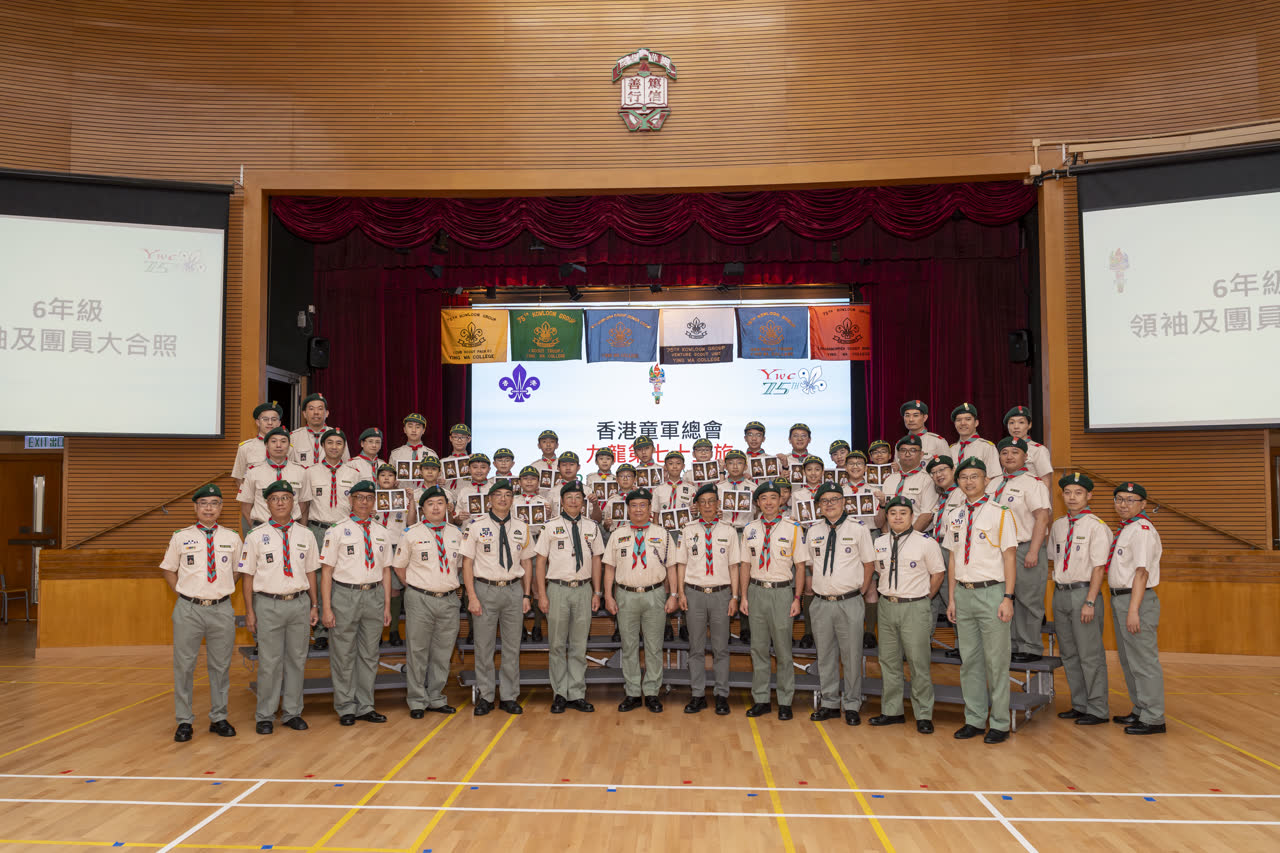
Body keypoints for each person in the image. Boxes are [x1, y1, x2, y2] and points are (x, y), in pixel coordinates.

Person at [161, 484, 242, 742]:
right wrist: (184, 594)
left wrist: (219, 591)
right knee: (184, 666)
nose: (209, 508)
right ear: (195, 507)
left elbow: (238, 571)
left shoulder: (232, 537)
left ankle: (219, 717)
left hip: (221, 609)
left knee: (221, 666)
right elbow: (168, 569)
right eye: (204, 503)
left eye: (214, 503)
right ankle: (184, 721)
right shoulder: (180, 537)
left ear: (221, 508)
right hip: (189, 609)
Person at [945, 458, 1018, 744]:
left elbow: (1009, 557)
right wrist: (952, 598)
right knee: (970, 661)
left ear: (986, 481)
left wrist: (1008, 597)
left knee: (996, 662)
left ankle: (999, 722)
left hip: (992, 592)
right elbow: (953, 558)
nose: (969, 481)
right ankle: (974, 719)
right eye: (963, 477)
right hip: (963, 593)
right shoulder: (954, 514)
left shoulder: (1001, 513)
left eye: (974, 476)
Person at [237, 480, 319, 734]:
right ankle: (265, 714)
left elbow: (311, 572)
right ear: (267, 504)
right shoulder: (255, 536)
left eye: (285, 498)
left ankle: (293, 712)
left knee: (297, 660)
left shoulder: (306, 535)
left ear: (294, 503)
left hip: (299, 603)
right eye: (275, 499)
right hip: (268, 604)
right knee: (270, 662)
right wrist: (250, 611)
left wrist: (314, 605)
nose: (281, 503)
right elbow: (248, 576)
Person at [319, 480, 393, 726]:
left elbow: (386, 570)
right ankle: (345, 707)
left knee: (370, 654)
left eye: (369, 498)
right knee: (343, 654)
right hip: (345, 595)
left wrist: (386, 605)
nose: (364, 502)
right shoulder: (337, 530)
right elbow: (326, 571)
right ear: (350, 500)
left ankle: (365, 706)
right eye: (359, 497)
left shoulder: (382, 531)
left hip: (373, 595)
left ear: (375, 502)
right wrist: (326, 608)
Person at [869, 496, 945, 733]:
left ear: (912, 516)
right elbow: (879, 571)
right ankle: (892, 711)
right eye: (893, 513)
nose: (898, 517)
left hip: (915, 606)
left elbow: (938, 574)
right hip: (886, 606)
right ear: (887, 516)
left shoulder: (926, 542)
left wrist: (923, 598)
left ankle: (923, 714)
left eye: (903, 513)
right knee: (888, 661)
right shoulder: (879, 542)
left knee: (918, 662)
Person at [460, 479, 533, 716]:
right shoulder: (475, 526)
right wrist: (471, 596)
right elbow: (467, 563)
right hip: (485, 590)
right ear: (489, 499)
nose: (503, 498)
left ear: (513, 500)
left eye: (508, 495)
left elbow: (527, 563)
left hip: (513, 590)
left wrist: (526, 594)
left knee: (512, 647)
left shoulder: (522, 527)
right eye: (498, 494)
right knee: (484, 647)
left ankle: (509, 696)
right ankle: (486, 696)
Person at [805, 483, 875, 726]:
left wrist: (861, 592)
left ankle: (852, 704)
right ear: (818, 506)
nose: (830, 504)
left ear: (844, 502)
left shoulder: (858, 529)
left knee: (852, 656)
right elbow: (812, 564)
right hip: (821, 602)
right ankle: (830, 703)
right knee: (825, 656)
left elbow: (869, 564)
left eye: (835, 499)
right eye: (824, 500)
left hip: (849, 602)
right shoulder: (813, 531)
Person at [740, 480, 810, 720]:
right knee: (758, 649)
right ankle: (761, 699)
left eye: (773, 497)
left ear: (781, 500)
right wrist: (743, 596)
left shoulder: (793, 528)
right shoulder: (750, 529)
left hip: (782, 593)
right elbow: (745, 565)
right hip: (756, 591)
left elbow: (800, 567)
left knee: (783, 650)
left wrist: (797, 598)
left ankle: (785, 700)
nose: (768, 502)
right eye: (763, 498)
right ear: (757, 503)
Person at [602, 487, 676, 712]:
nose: (638, 509)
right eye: (633, 505)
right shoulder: (618, 534)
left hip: (655, 595)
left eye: (643, 505)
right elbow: (609, 568)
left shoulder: (663, 534)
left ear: (650, 508)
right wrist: (608, 596)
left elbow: (671, 567)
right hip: (626, 595)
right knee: (629, 646)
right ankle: (633, 692)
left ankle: (652, 692)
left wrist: (673, 595)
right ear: (627, 509)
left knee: (654, 647)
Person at [534, 481, 605, 714]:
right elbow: (540, 562)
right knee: (556, 645)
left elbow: (597, 560)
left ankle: (576, 693)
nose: (574, 501)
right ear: (561, 502)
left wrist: (597, 592)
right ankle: (560, 693)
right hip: (557, 589)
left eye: (578, 497)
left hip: (583, 589)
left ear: (583, 502)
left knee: (578, 645)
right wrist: (541, 594)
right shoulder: (550, 526)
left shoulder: (592, 527)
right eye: (569, 498)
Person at [393, 485, 463, 718]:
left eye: (440, 503)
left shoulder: (456, 533)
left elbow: (459, 566)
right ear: (422, 508)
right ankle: (416, 700)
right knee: (418, 651)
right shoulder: (411, 533)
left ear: (447, 507)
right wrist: (416, 587)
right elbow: (399, 567)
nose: (435, 508)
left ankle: (436, 697)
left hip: (449, 600)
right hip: (420, 599)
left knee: (443, 652)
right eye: (430, 504)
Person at [674, 483, 742, 716]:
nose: (707, 506)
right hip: (694, 593)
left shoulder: (728, 531)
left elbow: (734, 566)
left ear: (718, 504)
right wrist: (681, 593)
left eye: (711, 501)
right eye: (702, 502)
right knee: (696, 648)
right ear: (696, 506)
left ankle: (721, 695)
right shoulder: (687, 530)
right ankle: (698, 695)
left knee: (721, 648)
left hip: (721, 594)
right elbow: (681, 564)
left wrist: (734, 596)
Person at [1049, 473, 1111, 726]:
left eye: (1078, 493)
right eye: (1068, 493)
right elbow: (1054, 559)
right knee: (1069, 653)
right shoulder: (1059, 526)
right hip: (1061, 593)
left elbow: (1099, 568)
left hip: (1084, 594)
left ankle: (1098, 709)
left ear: (1089, 496)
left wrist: (1090, 601)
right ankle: (1080, 704)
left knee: (1090, 654)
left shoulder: (1097, 526)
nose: (1072, 497)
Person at [1107, 482, 1165, 735]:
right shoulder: (1126, 528)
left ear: (1143, 504)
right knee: (1129, 660)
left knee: (1143, 661)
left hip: (1135, 600)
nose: (1123, 504)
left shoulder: (1142, 530)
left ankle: (1154, 718)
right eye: (1119, 499)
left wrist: (1133, 610)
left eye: (1130, 500)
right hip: (1122, 599)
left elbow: (1141, 573)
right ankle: (1141, 708)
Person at [987, 437, 1051, 663]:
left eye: (1015, 452)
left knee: (1027, 599)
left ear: (1025, 457)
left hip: (1024, 547)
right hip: (997, 551)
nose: (1009, 456)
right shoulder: (992, 484)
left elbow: (1042, 518)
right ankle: (1012, 644)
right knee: (1004, 597)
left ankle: (1030, 646)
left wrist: (1034, 550)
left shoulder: (1033, 483)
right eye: (1004, 452)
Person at [375, 463, 415, 647]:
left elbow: (411, 523)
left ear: (396, 480)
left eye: (390, 475)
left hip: (395, 546)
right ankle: (376, 632)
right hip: (375, 547)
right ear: (377, 479)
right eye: (382, 475)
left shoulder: (402, 499)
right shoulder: (370, 498)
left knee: (395, 590)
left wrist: (411, 501)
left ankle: (393, 630)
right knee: (376, 589)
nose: (386, 478)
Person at [237, 427, 306, 531]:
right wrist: (257, 529)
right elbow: (246, 507)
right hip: (262, 528)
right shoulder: (253, 472)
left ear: (289, 445)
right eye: (273, 441)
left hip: (291, 529)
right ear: (266, 445)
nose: (278, 445)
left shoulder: (301, 471)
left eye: (283, 441)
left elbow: (303, 503)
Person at [513, 465, 552, 641]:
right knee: (518, 585)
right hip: (516, 542)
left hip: (537, 541)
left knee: (537, 583)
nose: (529, 482)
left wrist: (548, 515)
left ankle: (537, 626)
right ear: (519, 482)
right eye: (525, 479)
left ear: (538, 482)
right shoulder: (512, 500)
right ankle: (520, 626)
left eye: (533, 479)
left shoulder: (544, 501)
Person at [925, 455, 964, 624]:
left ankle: (961, 638)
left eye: (942, 470)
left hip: (953, 548)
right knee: (934, 590)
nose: (938, 475)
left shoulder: (962, 493)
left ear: (953, 470)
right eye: (934, 472)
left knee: (952, 593)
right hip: (937, 546)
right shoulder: (942, 496)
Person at [875, 435, 939, 532]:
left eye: (913, 450)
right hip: (891, 537)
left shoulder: (928, 480)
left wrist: (908, 537)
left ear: (921, 454)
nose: (907, 454)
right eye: (903, 450)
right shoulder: (889, 480)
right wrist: (887, 537)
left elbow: (926, 516)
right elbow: (883, 514)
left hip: (917, 535)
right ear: (898, 454)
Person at [290, 392, 346, 468]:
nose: (316, 412)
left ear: (327, 413)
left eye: (320, 409)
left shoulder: (338, 436)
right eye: (311, 409)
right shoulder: (293, 437)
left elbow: (345, 466)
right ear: (304, 414)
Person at [232, 402, 283, 485]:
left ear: (279, 423)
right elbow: (239, 478)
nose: (270, 423)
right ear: (258, 422)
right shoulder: (246, 447)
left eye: (274, 419)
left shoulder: (287, 448)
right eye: (265, 419)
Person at [1003, 406, 1053, 479]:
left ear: (1029, 425)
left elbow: (1046, 481)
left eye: (1021, 422)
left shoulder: (1038, 450)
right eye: (1011, 423)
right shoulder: (1004, 449)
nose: (1016, 426)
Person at [949, 403, 999, 474]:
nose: (963, 423)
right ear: (955, 424)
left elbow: (995, 477)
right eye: (958, 420)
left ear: (976, 423)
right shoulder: (951, 450)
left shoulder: (987, 447)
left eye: (968, 419)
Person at [388, 413, 437, 484]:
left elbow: (437, 479)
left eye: (417, 427)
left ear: (423, 430)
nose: (414, 430)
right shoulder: (396, 454)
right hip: (402, 491)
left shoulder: (431, 454)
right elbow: (389, 478)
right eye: (410, 426)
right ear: (404, 429)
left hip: (425, 491)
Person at [452, 453, 494, 529]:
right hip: (468, 532)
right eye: (475, 467)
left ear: (489, 469)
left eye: (483, 467)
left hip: (492, 531)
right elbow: (456, 521)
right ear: (469, 469)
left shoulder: (495, 490)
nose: (479, 470)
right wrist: (459, 518)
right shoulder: (463, 491)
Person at [440, 424, 473, 489]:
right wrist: (437, 482)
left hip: (466, 495)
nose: (459, 440)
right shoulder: (441, 462)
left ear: (469, 439)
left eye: (463, 437)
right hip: (447, 494)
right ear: (450, 438)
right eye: (455, 437)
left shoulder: (472, 461)